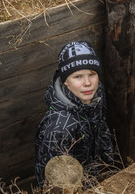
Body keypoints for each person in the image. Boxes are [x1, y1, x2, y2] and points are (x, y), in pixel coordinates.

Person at [35, 41, 114, 188]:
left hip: (93, 173)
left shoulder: (96, 95)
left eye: (92, 74)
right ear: (66, 81)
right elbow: (51, 182)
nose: (87, 83)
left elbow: (101, 124)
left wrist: (108, 159)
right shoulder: (59, 128)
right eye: (78, 77)